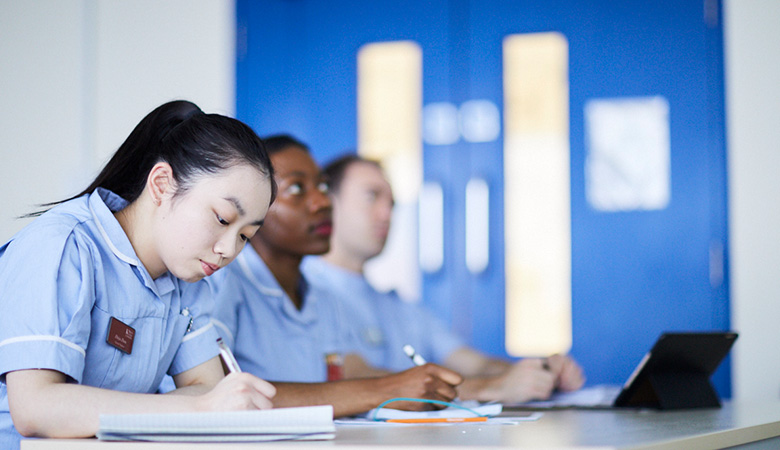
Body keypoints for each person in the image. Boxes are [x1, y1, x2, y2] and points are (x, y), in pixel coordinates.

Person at [0, 100, 278, 449]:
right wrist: (196, 407)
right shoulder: (62, 247)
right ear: (162, 183)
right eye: (222, 219)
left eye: (244, 236)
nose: (228, 250)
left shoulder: (187, 280)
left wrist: (202, 404)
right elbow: (36, 408)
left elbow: (207, 388)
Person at [210, 135, 462, 417]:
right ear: (252, 204)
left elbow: (335, 386)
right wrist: (385, 390)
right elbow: (219, 395)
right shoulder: (222, 280)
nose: (323, 202)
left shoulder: (322, 298)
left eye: (323, 186)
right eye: (297, 188)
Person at [302, 154, 585, 403]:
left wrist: (537, 373)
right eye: (371, 196)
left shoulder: (398, 306)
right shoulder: (305, 294)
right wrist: (492, 388)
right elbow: (353, 378)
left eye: (392, 203)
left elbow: (471, 362)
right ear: (328, 202)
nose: (387, 214)